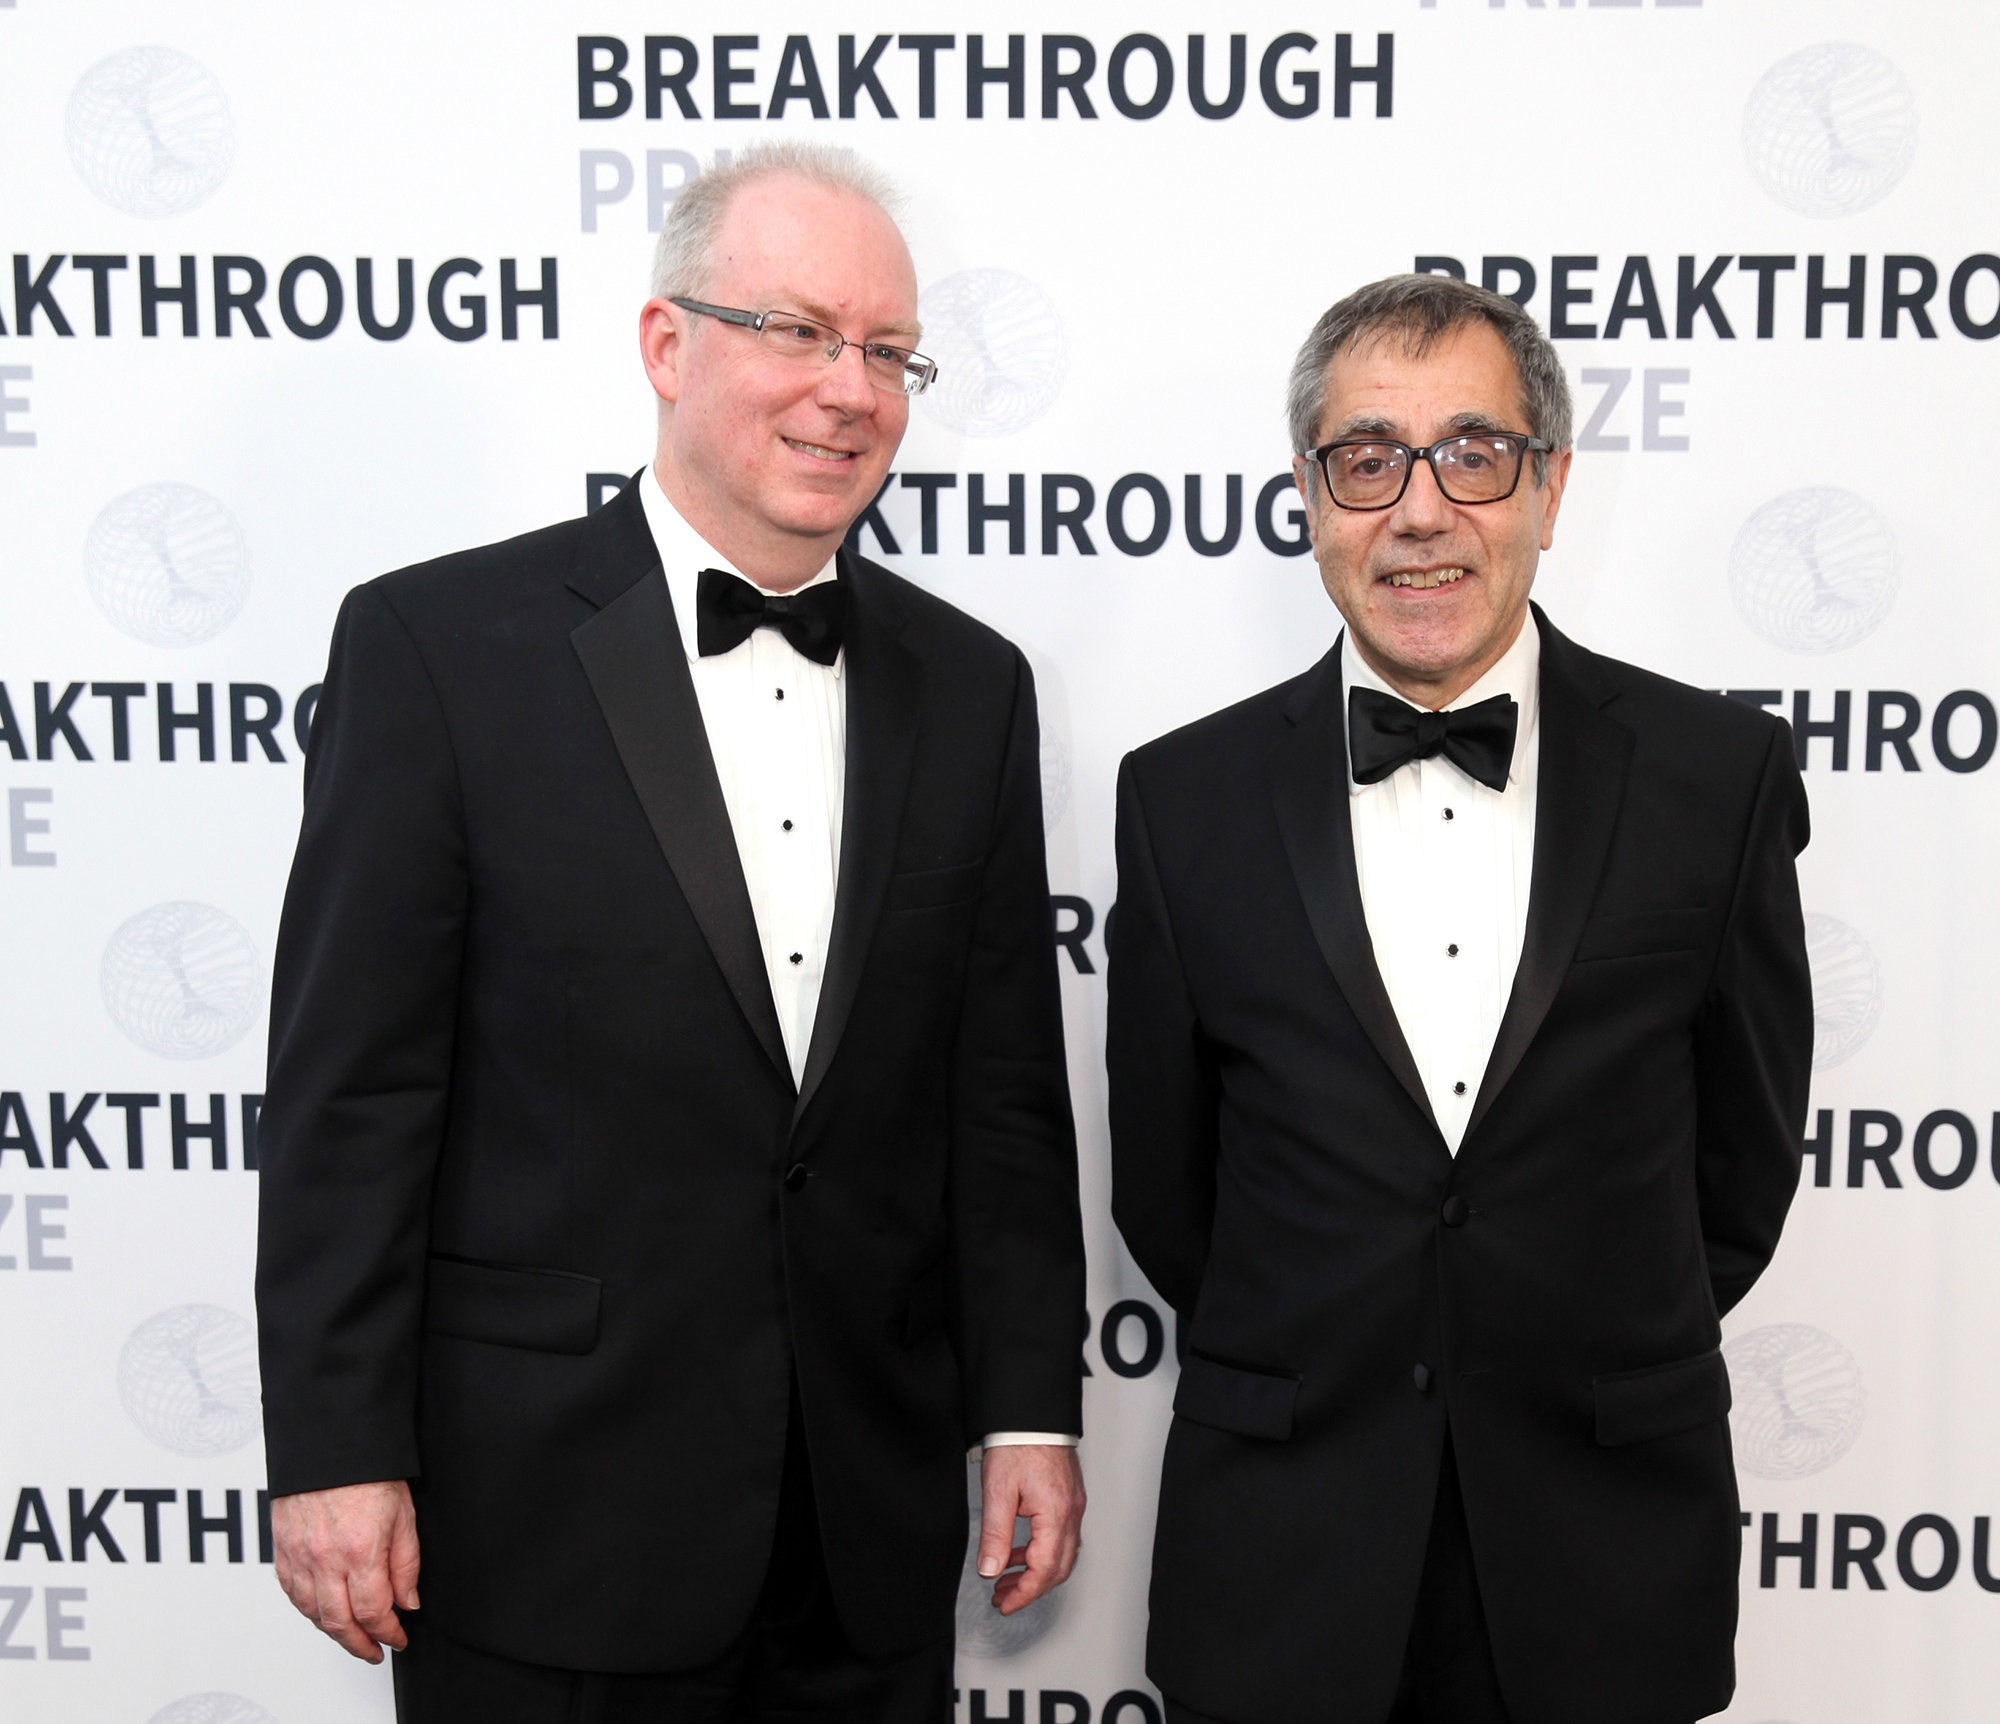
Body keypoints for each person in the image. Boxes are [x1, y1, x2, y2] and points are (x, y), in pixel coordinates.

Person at [256, 141, 1087, 1724]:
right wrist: (337, 1448)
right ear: (664, 344)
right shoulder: (436, 650)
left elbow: (1002, 1104)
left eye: (886, 352)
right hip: (540, 1519)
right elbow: (353, 1096)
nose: (850, 389)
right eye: (794, 330)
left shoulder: (974, 689)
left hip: (863, 1529)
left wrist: (1029, 1409)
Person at [1107, 273, 1811, 1724]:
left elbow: (1739, 1174)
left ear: (1549, 487)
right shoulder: (1182, 799)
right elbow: (1170, 1197)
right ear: (1310, 495)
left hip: (1604, 1552)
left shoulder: (1713, 782)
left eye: (1472, 453)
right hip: (1286, 1558)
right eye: (1368, 459)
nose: (1419, 511)